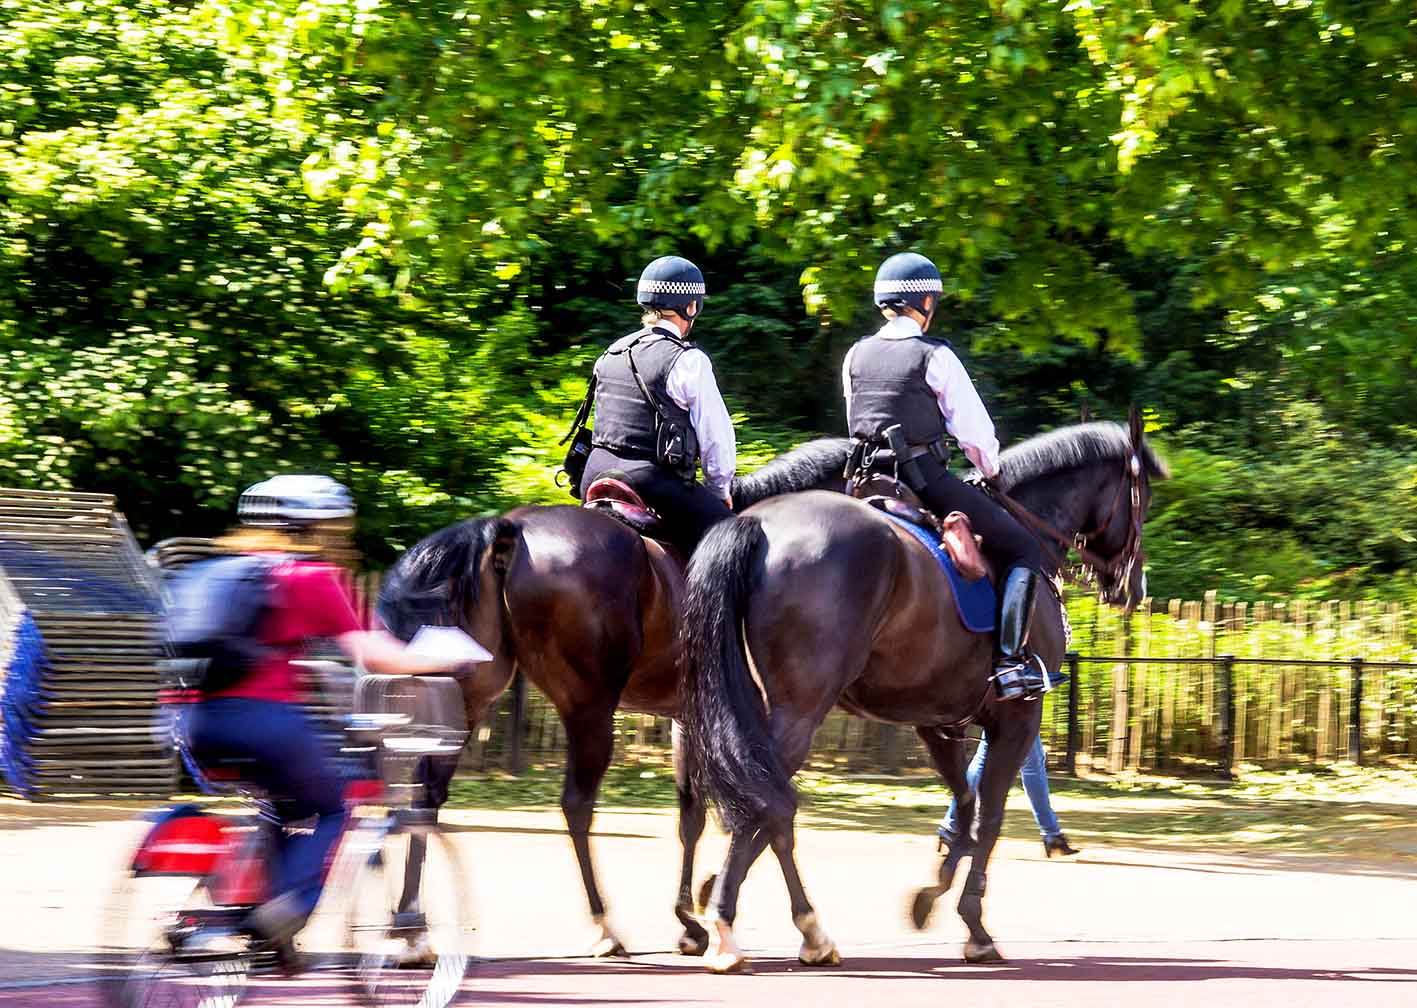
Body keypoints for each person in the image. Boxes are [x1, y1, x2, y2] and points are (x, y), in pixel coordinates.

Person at [177, 475, 467, 964]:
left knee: (276, 806)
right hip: (263, 722)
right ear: (314, 528)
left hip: (193, 723)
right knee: (335, 807)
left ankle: (225, 918)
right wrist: (444, 656)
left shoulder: (213, 573)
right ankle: (285, 909)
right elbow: (376, 655)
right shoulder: (308, 578)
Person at [842, 252, 1049, 700]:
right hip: (921, 479)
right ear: (926, 302)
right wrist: (991, 471)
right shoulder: (934, 356)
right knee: (1024, 547)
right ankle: (1011, 663)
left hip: (860, 481)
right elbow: (973, 432)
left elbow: (854, 417)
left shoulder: (856, 354)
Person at [578, 255, 737, 554]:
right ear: (691, 307)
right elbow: (716, 436)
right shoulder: (689, 360)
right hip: (651, 481)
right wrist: (720, 490)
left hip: (594, 472)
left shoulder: (612, 351)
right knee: (736, 543)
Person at [939, 733, 1080, 858]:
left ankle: (950, 827)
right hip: (1014, 706)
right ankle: (1052, 835)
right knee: (1029, 764)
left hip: (1010, 707)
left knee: (1033, 761)